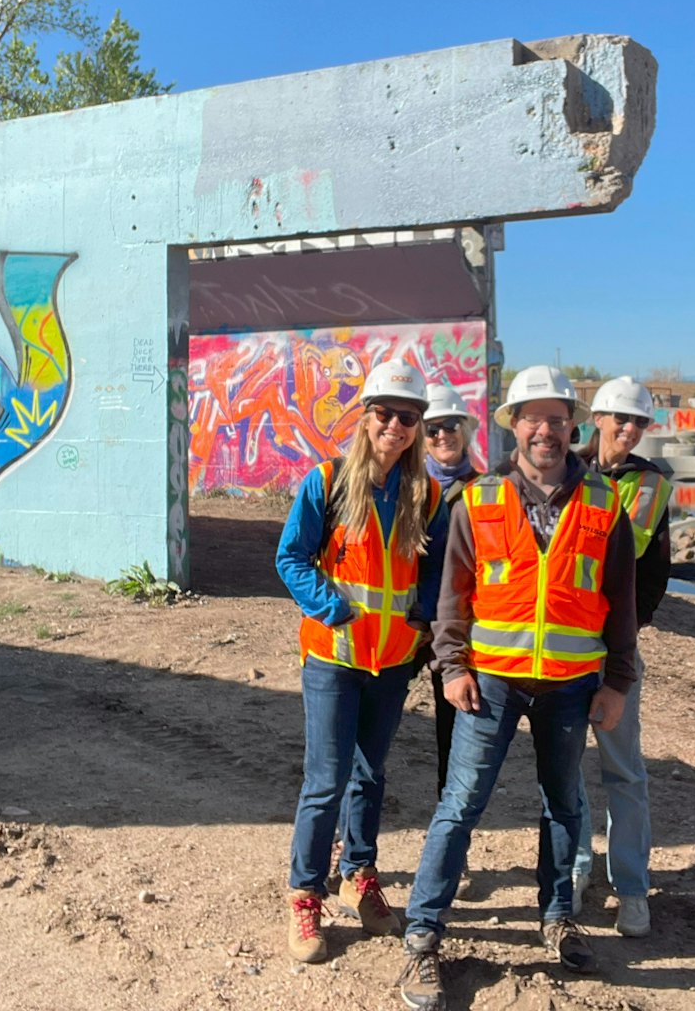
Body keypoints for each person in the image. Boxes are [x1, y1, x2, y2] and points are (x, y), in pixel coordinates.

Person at [395, 365, 637, 1010]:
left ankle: (558, 917)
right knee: (460, 805)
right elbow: (454, 596)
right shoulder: (479, 501)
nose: (545, 430)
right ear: (514, 427)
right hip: (491, 684)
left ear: (572, 427)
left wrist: (617, 682)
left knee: (565, 804)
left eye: (557, 419)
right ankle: (423, 935)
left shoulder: (605, 505)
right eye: (532, 418)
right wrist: (452, 666)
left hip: (570, 684)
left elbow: (621, 603)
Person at [275, 362, 448, 964]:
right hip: (333, 658)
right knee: (325, 781)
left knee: (370, 775)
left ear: (419, 425)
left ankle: (358, 875)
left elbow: (430, 572)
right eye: (385, 413)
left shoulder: (423, 493)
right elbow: (291, 558)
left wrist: (421, 622)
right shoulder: (325, 481)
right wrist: (335, 611)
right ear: (366, 415)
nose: (395, 426)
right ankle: (305, 893)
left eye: (408, 417)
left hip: (393, 661)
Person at [571, 376, 672, 938]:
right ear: (599, 418)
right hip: (563, 641)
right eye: (620, 419)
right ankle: (577, 867)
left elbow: (627, 548)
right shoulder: (568, 467)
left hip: (614, 647)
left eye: (638, 423)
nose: (629, 430)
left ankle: (631, 887)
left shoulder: (649, 482)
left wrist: (631, 632)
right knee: (564, 769)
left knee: (624, 770)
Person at [418, 382, 481, 798]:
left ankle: (453, 843)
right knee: (370, 733)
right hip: (409, 623)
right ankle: (353, 842)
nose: (444, 434)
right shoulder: (406, 488)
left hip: (460, 627)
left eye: (452, 424)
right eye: (433, 427)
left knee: (455, 736)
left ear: (466, 429)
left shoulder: (487, 490)